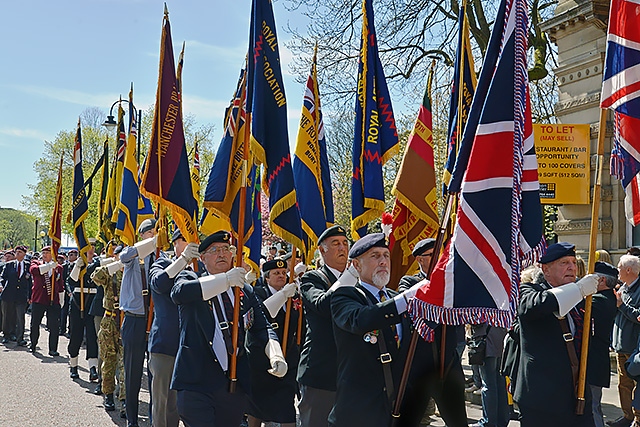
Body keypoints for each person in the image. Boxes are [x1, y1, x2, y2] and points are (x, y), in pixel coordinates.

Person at [171, 230, 286, 427]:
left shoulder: (244, 290)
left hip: (232, 385)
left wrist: (276, 354)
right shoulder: (190, 278)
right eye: (215, 250)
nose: (222, 254)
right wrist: (225, 281)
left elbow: (261, 326)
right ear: (203, 258)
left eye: (226, 249)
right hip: (197, 384)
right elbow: (179, 293)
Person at [329, 232, 422, 426]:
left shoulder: (396, 299)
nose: (383, 261)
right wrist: (404, 300)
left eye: (386, 255)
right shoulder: (345, 296)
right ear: (356, 265)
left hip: (398, 407)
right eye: (375, 256)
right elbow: (359, 320)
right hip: (360, 411)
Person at [514, 241, 599, 426]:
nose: (571, 267)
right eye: (563, 263)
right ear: (546, 269)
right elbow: (532, 307)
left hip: (578, 395)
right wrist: (578, 289)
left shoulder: (584, 297)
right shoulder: (529, 290)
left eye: (574, 262)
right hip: (542, 400)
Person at [397, 238, 468, 427]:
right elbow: (411, 310)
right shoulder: (409, 282)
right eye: (433, 255)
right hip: (420, 368)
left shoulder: (453, 283)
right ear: (420, 260)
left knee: (458, 421)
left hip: (449, 365)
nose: (440, 260)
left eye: (442, 255)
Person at [297, 225, 349, 426]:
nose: (342, 248)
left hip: (349, 371)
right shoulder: (312, 279)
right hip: (321, 372)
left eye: (345, 243)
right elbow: (323, 304)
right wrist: (350, 276)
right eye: (335, 243)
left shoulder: (358, 281)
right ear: (322, 250)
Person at [148, 229, 199, 427]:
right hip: (165, 345)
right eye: (186, 240)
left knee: (180, 405)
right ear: (176, 243)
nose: (191, 244)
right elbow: (159, 283)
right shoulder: (163, 263)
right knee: (162, 404)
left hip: (190, 347)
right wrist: (183, 260)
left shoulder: (198, 267)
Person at [247, 259, 301, 427]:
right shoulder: (257, 292)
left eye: (284, 273)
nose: (281, 276)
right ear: (267, 278)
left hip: (288, 359)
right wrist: (283, 295)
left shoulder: (294, 296)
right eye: (276, 273)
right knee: (256, 409)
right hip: (261, 361)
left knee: (286, 411)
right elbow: (261, 315)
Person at [119, 218, 160, 427]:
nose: (154, 235)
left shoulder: (161, 258)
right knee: (133, 374)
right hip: (135, 320)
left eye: (156, 232)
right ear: (142, 234)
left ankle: (155, 420)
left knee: (156, 376)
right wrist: (148, 245)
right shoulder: (133, 255)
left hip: (156, 322)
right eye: (150, 232)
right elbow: (123, 256)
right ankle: (132, 419)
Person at [91, 245, 127, 415]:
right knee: (109, 360)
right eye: (120, 256)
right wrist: (113, 264)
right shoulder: (109, 271)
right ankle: (108, 395)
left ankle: (125, 400)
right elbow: (95, 276)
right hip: (109, 320)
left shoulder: (133, 271)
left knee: (125, 362)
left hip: (126, 320)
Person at [609, 255, 640, 427]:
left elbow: (638, 316)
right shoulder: (623, 288)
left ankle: (637, 418)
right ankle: (627, 416)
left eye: (620, 266)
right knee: (624, 385)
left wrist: (621, 305)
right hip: (621, 345)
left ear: (629, 270)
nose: (617, 269)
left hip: (634, 347)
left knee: (637, 386)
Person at [588, 261, 619, 427]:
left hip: (594, 360)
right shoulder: (607, 298)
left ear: (603, 281)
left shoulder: (599, 300)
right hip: (596, 359)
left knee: (592, 407)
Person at [67, 239, 100, 380]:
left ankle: (93, 368)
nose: (91, 249)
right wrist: (78, 266)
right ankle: (73, 365)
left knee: (92, 336)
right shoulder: (76, 264)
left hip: (92, 303)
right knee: (76, 335)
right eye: (88, 247)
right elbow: (72, 281)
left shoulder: (98, 263)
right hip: (77, 303)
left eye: (93, 247)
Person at [28, 246, 64, 355]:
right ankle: (33, 344)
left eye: (47, 253)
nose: (44, 255)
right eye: (43, 253)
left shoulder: (58, 268)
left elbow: (60, 284)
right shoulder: (36, 263)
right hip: (39, 299)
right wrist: (49, 266)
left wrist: (61, 300)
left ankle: (53, 348)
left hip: (53, 300)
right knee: (35, 323)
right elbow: (35, 271)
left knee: (54, 326)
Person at [1, 245, 31, 346]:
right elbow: (2, 277)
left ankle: (19, 338)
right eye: (16, 252)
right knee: (7, 316)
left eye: (20, 252)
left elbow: (30, 283)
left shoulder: (28, 265)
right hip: (8, 295)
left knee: (20, 317)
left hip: (21, 296)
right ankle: (6, 335)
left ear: (24, 254)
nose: (18, 254)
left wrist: (29, 296)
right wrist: (1, 285)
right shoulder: (9, 265)